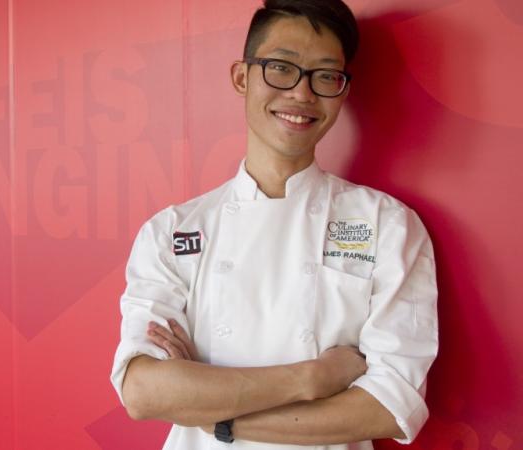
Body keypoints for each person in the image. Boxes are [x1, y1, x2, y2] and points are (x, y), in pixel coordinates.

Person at [109, 0, 439, 449]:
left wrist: (218, 419)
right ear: (242, 78)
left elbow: (388, 405)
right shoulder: (172, 231)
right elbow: (143, 391)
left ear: (342, 91)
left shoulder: (389, 226)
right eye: (281, 68)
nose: (302, 94)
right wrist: (313, 378)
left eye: (325, 76)